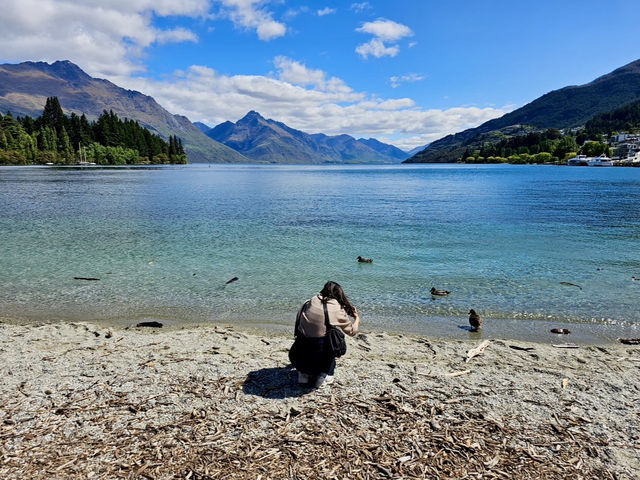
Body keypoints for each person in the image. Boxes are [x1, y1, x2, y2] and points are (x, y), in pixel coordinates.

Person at [289, 281, 360, 388]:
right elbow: (351, 332)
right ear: (339, 294)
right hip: (320, 355)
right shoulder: (336, 307)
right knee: (335, 336)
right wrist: (356, 318)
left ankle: (303, 374)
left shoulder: (309, 302)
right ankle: (326, 376)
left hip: (300, 353)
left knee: (312, 336)